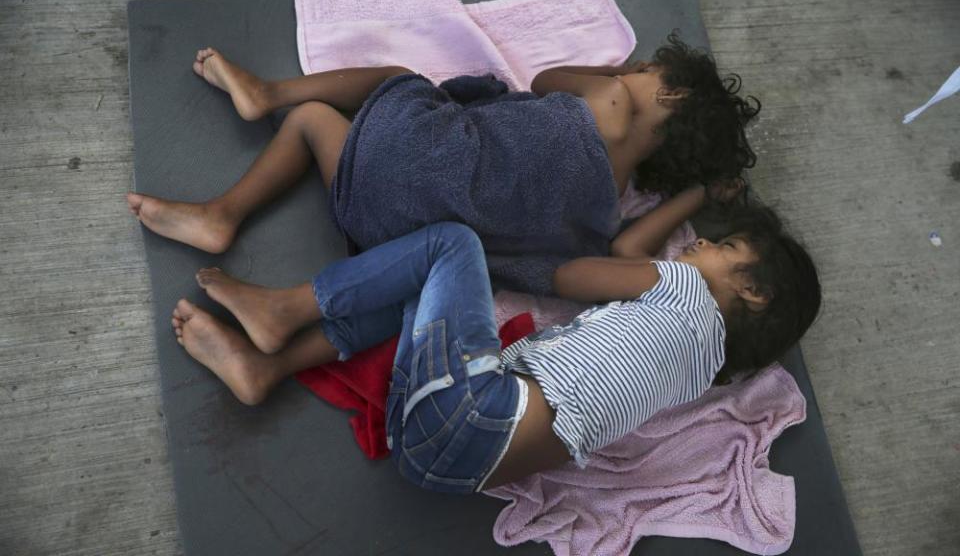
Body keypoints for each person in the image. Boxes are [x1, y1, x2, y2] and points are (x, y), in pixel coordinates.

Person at [169, 184, 821, 493]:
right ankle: (264, 369)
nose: (702, 243)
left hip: (469, 411)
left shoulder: (682, 287)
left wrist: (691, 197)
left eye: (724, 245)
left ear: (753, 291)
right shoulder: (699, 372)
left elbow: (582, 270)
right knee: (423, 295)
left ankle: (283, 310)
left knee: (452, 245)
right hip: (437, 465)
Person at [128, 35, 760, 294]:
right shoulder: (609, 199)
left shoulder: (613, 97)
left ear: (667, 94)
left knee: (395, 82)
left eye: (651, 69)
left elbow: (543, 79)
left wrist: (616, 70)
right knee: (323, 131)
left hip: (412, 164)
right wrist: (698, 194)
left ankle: (266, 103)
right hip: (396, 240)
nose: (636, 70)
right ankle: (219, 217)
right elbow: (630, 252)